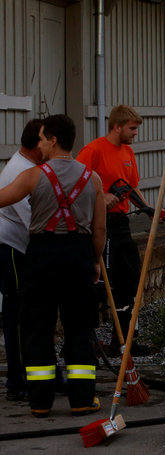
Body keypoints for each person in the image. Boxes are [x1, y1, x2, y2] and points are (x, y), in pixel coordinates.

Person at [0, 114, 106, 417]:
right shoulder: (92, 179)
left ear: (54, 140)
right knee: (79, 328)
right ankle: (82, 399)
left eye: (43, 138)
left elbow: (3, 198)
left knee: (37, 328)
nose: (40, 144)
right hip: (78, 255)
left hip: (42, 256)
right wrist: (95, 260)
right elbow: (100, 230)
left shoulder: (33, 176)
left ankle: (40, 402)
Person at [77, 105, 145, 354]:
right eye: (132, 128)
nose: (135, 133)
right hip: (98, 223)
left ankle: (124, 339)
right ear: (117, 127)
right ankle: (85, 341)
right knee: (99, 281)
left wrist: (149, 208)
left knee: (130, 276)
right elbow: (76, 182)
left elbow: (132, 187)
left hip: (121, 223)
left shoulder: (128, 152)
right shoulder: (93, 151)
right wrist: (101, 196)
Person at [0, 119, 43, 401]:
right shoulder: (20, 171)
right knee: (16, 314)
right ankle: (17, 381)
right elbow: (35, 220)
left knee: (28, 313)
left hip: (20, 247)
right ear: (38, 145)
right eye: (48, 141)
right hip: (12, 248)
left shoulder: (29, 167)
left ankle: (32, 374)